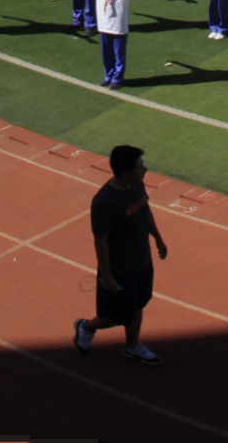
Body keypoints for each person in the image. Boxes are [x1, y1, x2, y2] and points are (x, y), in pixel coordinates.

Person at [75, 143, 168, 365]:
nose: (145, 170)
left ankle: (132, 347)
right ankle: (85, 327)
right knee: (116, 316)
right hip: (120, 269)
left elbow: (145, 211)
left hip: (142, 261)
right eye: (139, 166)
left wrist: (158, 238)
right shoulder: (104, 202)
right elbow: (100, 241)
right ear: (125, 172)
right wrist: (107, 276)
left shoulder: (137, 186)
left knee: (138, 305)